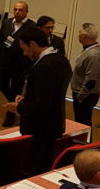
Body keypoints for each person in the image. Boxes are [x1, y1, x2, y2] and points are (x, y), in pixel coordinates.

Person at [5, 26, 72, 174]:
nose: (25, 54)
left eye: (25, 49)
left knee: (35, 169)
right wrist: (28, 98)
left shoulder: (43, 67)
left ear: (33, 44)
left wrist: (18, 107)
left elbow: (41, 105)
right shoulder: (62, 61)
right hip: (55, 123)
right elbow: (50, 93)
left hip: (39, 129)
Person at [0, 1, 36, 127]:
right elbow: (0, 39)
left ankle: (11, 115)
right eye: (15, 9)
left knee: (16, 88)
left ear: (26, 12)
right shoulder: (7, 22)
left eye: (20, 10)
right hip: (5, 61)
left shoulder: (31, 26)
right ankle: (17, 103)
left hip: (20, 64)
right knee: (1, 84)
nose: (17, 12)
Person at [71, 23, 100, 127]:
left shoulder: (93, 55)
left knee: (83, 124)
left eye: (80, 32)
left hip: (85, 96)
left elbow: (91, 80)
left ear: (85, 36)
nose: (78, 34)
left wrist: (80, 96)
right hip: (83, 95)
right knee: (81, 122)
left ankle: (85, 138)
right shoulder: (88, 50)